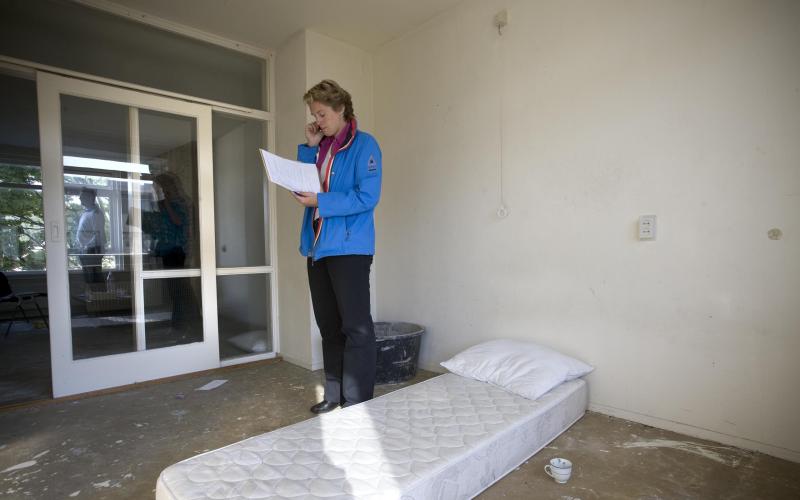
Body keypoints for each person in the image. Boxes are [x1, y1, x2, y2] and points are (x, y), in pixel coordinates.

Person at [293, 79, 382, 413]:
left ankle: (358, 404)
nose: (317, 119)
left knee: (356, 328)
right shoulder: (322, 147)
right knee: (329, 327)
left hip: (349, 248)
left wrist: (321, 201)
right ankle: (334, 397)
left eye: (322, 113)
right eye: (314, 114)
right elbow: (304, 188)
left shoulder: (365, 145)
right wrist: (310, 147)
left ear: (341, 108)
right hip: (318, 247)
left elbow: (367, 196)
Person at [76, 187, 106, 290]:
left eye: (81, 197)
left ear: (89, 197)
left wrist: (97, 251)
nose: (79, 199)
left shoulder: (95, 213)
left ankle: (99, 301)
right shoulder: (87, 213)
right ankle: (94, 301)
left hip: (92, 250)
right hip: (86, 250)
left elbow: (98, 234)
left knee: (93, 279)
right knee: (89, 279)